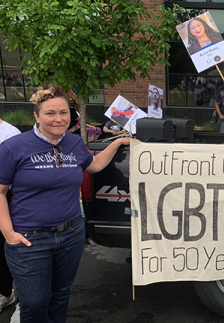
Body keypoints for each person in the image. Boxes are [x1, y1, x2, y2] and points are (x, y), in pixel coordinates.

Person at [0, 85, 131, 323]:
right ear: (36, 116)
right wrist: (8, 232)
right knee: (34, 303)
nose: (58, 119)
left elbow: (95, 165)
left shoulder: (72, 143)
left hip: (70, 234)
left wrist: (119, 142)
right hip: (30, 238)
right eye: (50, 113)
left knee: (60, 296)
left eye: (64, 112)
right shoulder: (13, 147)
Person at [0, 118, 20, 315]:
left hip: (7, 198)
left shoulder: (10, 134)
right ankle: (5, 293)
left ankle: (20, 299)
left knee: (13, 251)